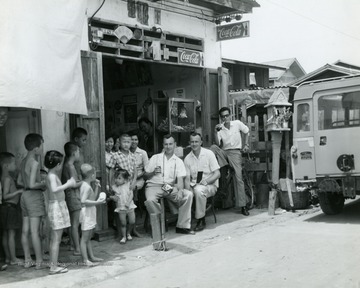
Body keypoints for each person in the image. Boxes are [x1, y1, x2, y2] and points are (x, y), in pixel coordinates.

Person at [144, 134, 194, 235]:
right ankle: (157, 227)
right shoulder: (155, 157)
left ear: (175, 145)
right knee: (150, 200)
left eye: (170, 144)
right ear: (163, 145)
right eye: (166, 144)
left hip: (167, 187)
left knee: (188, 195)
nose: (168, 146)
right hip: (154, 185)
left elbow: (180, 179)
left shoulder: (178, 161)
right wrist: (153, 172)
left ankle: (182, 226)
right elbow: (145, 175)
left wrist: (180, 190)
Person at [212, 107, 250, 216]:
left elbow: (247, 131)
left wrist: (246, 144)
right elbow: (218, 144)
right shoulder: (220, 128)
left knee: (238, 179)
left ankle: (243, 206)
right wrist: (215, 132)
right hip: (224, 153)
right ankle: (223, 168)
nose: (225, 118)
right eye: (223, 116)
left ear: (230, 115)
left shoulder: (237, 123)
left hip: (235, 153)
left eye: (227, 115)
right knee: (213, 147)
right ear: (221, 118)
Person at [17, 133, 47, 269]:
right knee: (35, 231)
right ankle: (39, 261)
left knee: (25, 230)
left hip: (24, 196)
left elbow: (19, 181)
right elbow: (31, 184)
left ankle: (28, 259)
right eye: (42, 146)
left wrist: (32, 183)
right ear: (36, 148)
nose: (42, 149)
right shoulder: (34, 163)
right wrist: (43, 183)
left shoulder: (23, 161)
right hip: (33, 196)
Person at [44, 150, 76, 275]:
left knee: (55, 238)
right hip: (57, 207)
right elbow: (54, 189)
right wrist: (68, 184)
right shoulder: (52, 176)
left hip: (57, 206)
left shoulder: (50, 174)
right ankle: (53, 267)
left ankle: (54, 263)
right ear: (58, 164)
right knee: (56, 238)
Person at [184, 133, 220, 231]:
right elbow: (187, 178)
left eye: (196, 141)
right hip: (194, 185)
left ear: (201, 142)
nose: (194, 144)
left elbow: (217, 174)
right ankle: (185, 222)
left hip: (210, 185)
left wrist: (206, 181)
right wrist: (188, 190)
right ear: (189, 143)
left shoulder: (208, 154)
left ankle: (201, 219)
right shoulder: (187, 158)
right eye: (192, 142)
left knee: (199, 190)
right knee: (186, 193)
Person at [79, 164, 105, 266]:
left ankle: (91, 257)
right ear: (92, 175)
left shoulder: (88, 185)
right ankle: (85, 260)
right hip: (87, 214)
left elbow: (92, 198)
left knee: (88, 237)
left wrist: (97, 187)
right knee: (84, 238)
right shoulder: (85, 187)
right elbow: (83, 201)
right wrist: (98, 203)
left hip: (90, 213)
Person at [0, 152, 24, 266]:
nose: (15, 165)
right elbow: (5, 196)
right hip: (10, 208)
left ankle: (8, 258)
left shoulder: (5, 177)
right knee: (11, 234)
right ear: (6, 166)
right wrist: (18, 191)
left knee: (5, 234)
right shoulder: (7, 179)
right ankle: (13, 258)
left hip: (5, 209)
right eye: (13, 163)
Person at [62, 142, 82, 255]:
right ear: (74, 153)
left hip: (67, 195)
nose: (79, 153)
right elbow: (74, 184)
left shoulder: (65, 164)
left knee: (71, 222)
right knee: (75, 223)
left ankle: (71, 245)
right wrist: (86, 180)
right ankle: (77, 248)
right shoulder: (71, 166)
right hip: (73, 195)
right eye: (78, 151)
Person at [110, 169, 137, 244]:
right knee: (123, 223)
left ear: (125, 180)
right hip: (121, 207)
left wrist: (128, 202)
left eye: (119, 178)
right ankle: (124, 236)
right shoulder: (115, 187)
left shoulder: (128, 185)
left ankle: (128, 232)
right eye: (116, 178)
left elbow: (131, 194)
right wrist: (112, 197)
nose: (116, 180)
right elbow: (114, 196)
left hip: (130, 206)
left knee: (132, 221)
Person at [129, 131, 149, 203]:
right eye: (132, 139)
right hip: (127, 178)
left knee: (133, 187)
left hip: (139, 179)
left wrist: (137, 177)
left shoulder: (143, 153)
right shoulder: (126, 152)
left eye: (136, 140)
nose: (134, 142)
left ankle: (133, 208)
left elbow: (147, 169)